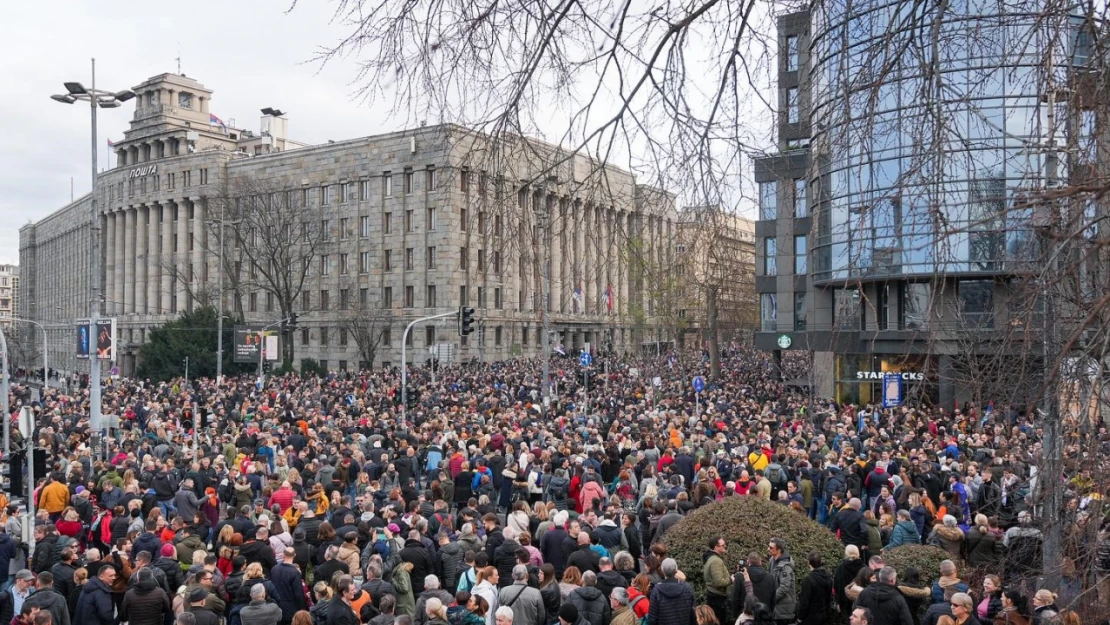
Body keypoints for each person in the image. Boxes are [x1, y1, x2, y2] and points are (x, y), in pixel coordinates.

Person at [648, 559, 695, 625]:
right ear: (676, 570)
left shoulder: (656, 590)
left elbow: (653, 618)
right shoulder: (687, 588)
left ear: (662, 570)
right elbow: (693, 613)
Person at [796, 553, 831, 625]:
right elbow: (829, 597)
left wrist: (800, 617)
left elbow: (804, 602)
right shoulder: (828, 577)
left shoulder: (808, 580)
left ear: (809, 563)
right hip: (823, 614)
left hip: (810, 616)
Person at [702, 537, 731, 625]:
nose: (725, 546)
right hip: (717, 599)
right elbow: (718, 582)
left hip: (714, 597)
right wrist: (731, 580)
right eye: (722, 545)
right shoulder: (715, 561)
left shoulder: (711, 558)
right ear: (716, 547)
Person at [767, 538, 795, 625]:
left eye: (771, 548)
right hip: (776, 607)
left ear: (778, 550)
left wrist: (772, 598)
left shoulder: (785, 566)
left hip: (783, 608)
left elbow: (784, 587)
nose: (768, 549)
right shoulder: (772, 560)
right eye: (768, 546)